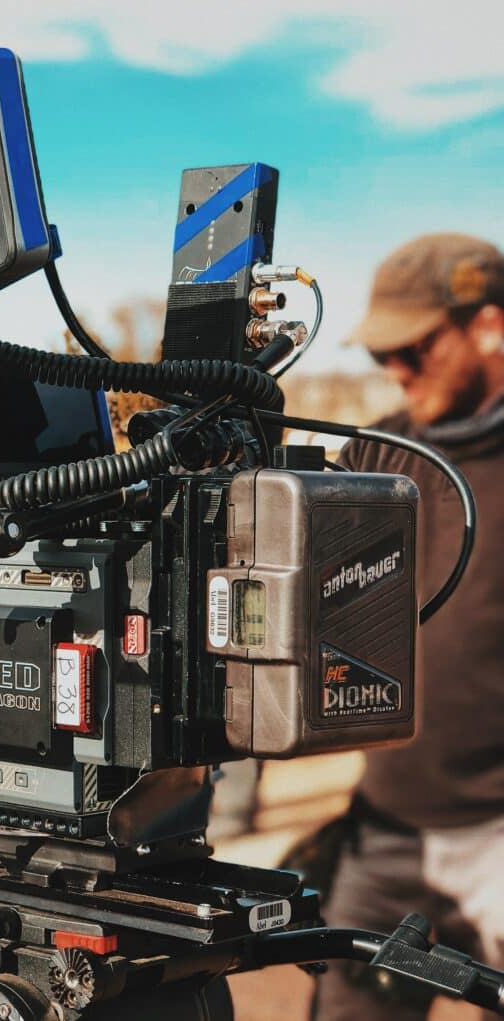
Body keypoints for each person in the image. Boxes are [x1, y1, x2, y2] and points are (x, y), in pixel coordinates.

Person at [312, 234, 504, 1021]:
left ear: (489, 327)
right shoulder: (378, 453)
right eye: (382, 354)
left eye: (415, 349)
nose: (395, 371)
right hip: (383, 828)